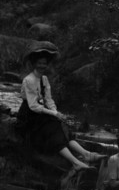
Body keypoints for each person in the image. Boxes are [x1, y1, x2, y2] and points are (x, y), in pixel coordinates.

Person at [17, 41, 105, 172]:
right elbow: (33, 106)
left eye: (44, 63)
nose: (42, 66)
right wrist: (54, 114)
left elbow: (48, 99)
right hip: (29, 116)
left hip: (41, 114)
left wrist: (56, 112)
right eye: (39, 63)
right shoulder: (29, 80)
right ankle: (75, 162)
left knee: (59, 126)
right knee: (52, 129)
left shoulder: (44, 79)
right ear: (34, 63)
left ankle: (86, 154)